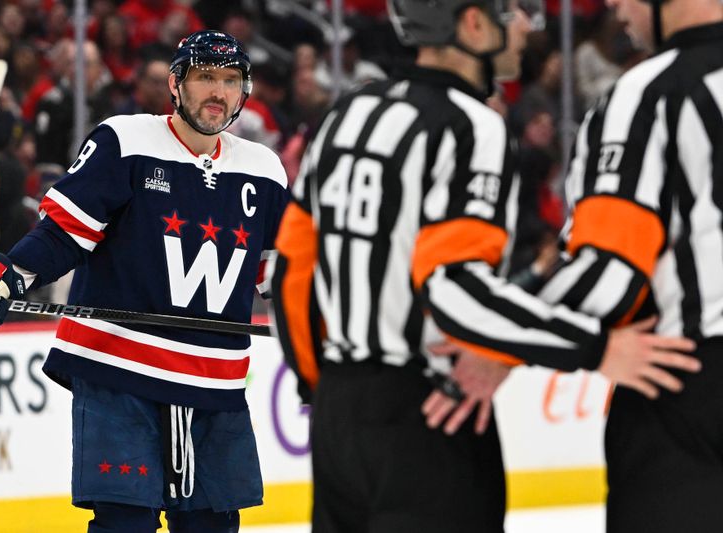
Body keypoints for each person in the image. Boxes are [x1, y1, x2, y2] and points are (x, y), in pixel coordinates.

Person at [268, 0, 700, 531]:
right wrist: (595, 345)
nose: (524, 27)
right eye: (512, 13)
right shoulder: (472, 122)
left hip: (338, 415)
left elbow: (292, 267)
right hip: (430, 411)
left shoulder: (348, 113)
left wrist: (328, 389)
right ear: (473, 23)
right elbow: (452, 285)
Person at [0, 30, 289, 533]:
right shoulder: (125, 141)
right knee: (123, 523)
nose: (217, 92)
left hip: (213, 380)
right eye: (204, 78)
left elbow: (281, 274)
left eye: (230, 80)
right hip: (120, 369)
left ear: (244, 91)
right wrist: (10, 276)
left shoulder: (264, 170)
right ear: (176, 84)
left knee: (212, 526)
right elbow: (66, 233)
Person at [536, 0, 723, 530]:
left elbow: (611, 270)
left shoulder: (646, 94)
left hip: (684, 382)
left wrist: (497, 336)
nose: (616, 5)